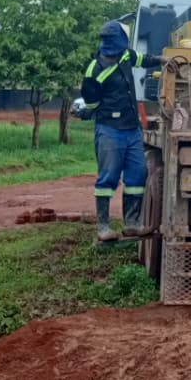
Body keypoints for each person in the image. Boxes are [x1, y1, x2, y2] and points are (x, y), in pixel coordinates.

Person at [80, 20, 165, 242]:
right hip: (109, 130)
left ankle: (132, 224)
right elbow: (91, 103)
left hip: (132, 129)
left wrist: (161, 60)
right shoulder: (94, 69)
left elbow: (142, 59)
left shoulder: (126, 56)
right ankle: (104, 227)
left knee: (137, 175)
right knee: (108, 178)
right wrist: (106, 112)